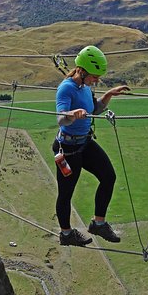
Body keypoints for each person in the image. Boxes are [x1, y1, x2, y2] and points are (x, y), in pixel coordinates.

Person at [53, 45, 130, 246]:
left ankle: (98, 223)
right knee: (66, 193)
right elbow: (61, 119)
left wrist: (109, 94)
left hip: (85, 143)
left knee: (108, 176)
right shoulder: (66, 88)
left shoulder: (85, 88)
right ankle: (67, 234)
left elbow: (94, 109)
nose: (96, 80)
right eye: (94, 76)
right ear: (82, 70)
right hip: (68, 149)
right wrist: (72, 114)